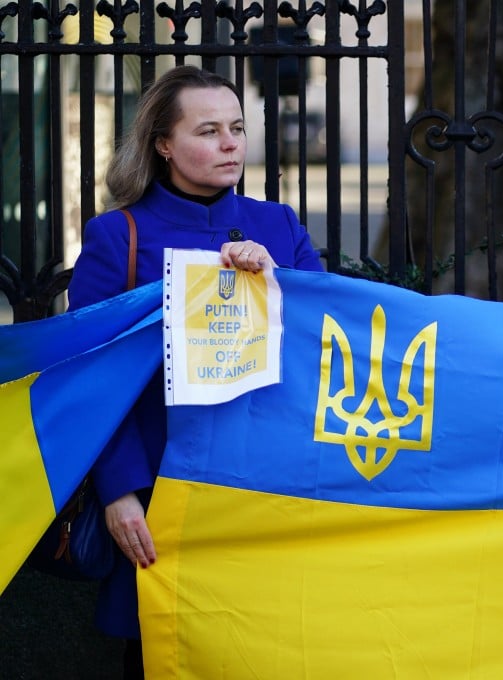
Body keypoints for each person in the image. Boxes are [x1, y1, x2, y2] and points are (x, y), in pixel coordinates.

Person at [66, 65, 324, 678]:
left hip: (268, 485)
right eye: (208, 131)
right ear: (163, 143)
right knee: (165, 653)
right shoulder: (116, 236)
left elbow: (326, 339)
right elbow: (89, 377)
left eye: (236, 127)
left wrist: (279, 280)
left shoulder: (277, 226)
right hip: (161, 490)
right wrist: (119, 491)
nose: (231, 143)